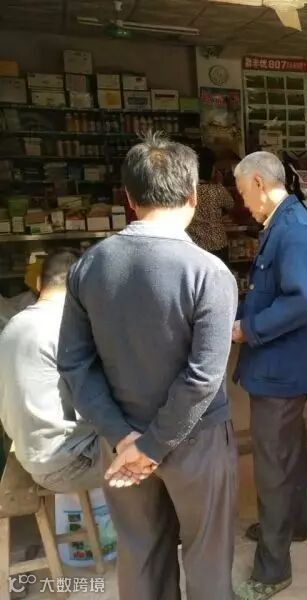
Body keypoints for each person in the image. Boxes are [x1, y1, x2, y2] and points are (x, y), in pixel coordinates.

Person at [58, 133, 239, 600]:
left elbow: (74, 364)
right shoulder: (208, 272)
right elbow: (203, 377)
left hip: (120, 439)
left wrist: (125, 439)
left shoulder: (88, 267)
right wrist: (153, 445)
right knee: (207, 558)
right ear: (194, 195)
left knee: (140, 554)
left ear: (129, 198)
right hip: (196, 440)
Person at [232, 151, 307, 600]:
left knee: (272, 463)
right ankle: (293, 524)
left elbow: (304, 298)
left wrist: (249, 328)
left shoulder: (293, 229)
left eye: (242, 193)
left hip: (281, 365)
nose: (243, 204)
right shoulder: (283, 223)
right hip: (284, 363)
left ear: (257, 182)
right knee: (287, 449)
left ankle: (272, 569)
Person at [0, 249, 101, 493]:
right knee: (161, 445)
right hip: (70, 463)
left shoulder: (12, 326)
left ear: (38, 283)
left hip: (30, 455)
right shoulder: (68, 328)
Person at [186, 146, 236, 259]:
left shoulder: (186, 192)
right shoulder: (217, 190)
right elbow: (231, 206)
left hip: (195, 246)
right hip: (218, 245)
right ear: (211, 169)